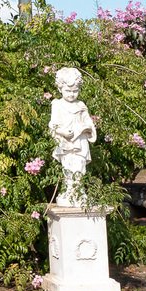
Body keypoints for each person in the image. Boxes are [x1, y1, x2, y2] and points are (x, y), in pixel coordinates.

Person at [48, 66, 95, 207]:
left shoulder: (81, 105)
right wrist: (62, 132)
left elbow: (89, 123)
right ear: (60, 88)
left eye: (75, 91)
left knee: (80, 166)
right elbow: (53, 124)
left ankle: (79, 192)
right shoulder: (57, 104)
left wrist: (86, 127)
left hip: (80, 141)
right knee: (67, 166)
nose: (71, 94)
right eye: (68, 91)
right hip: (66, 142)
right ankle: (69, 191)